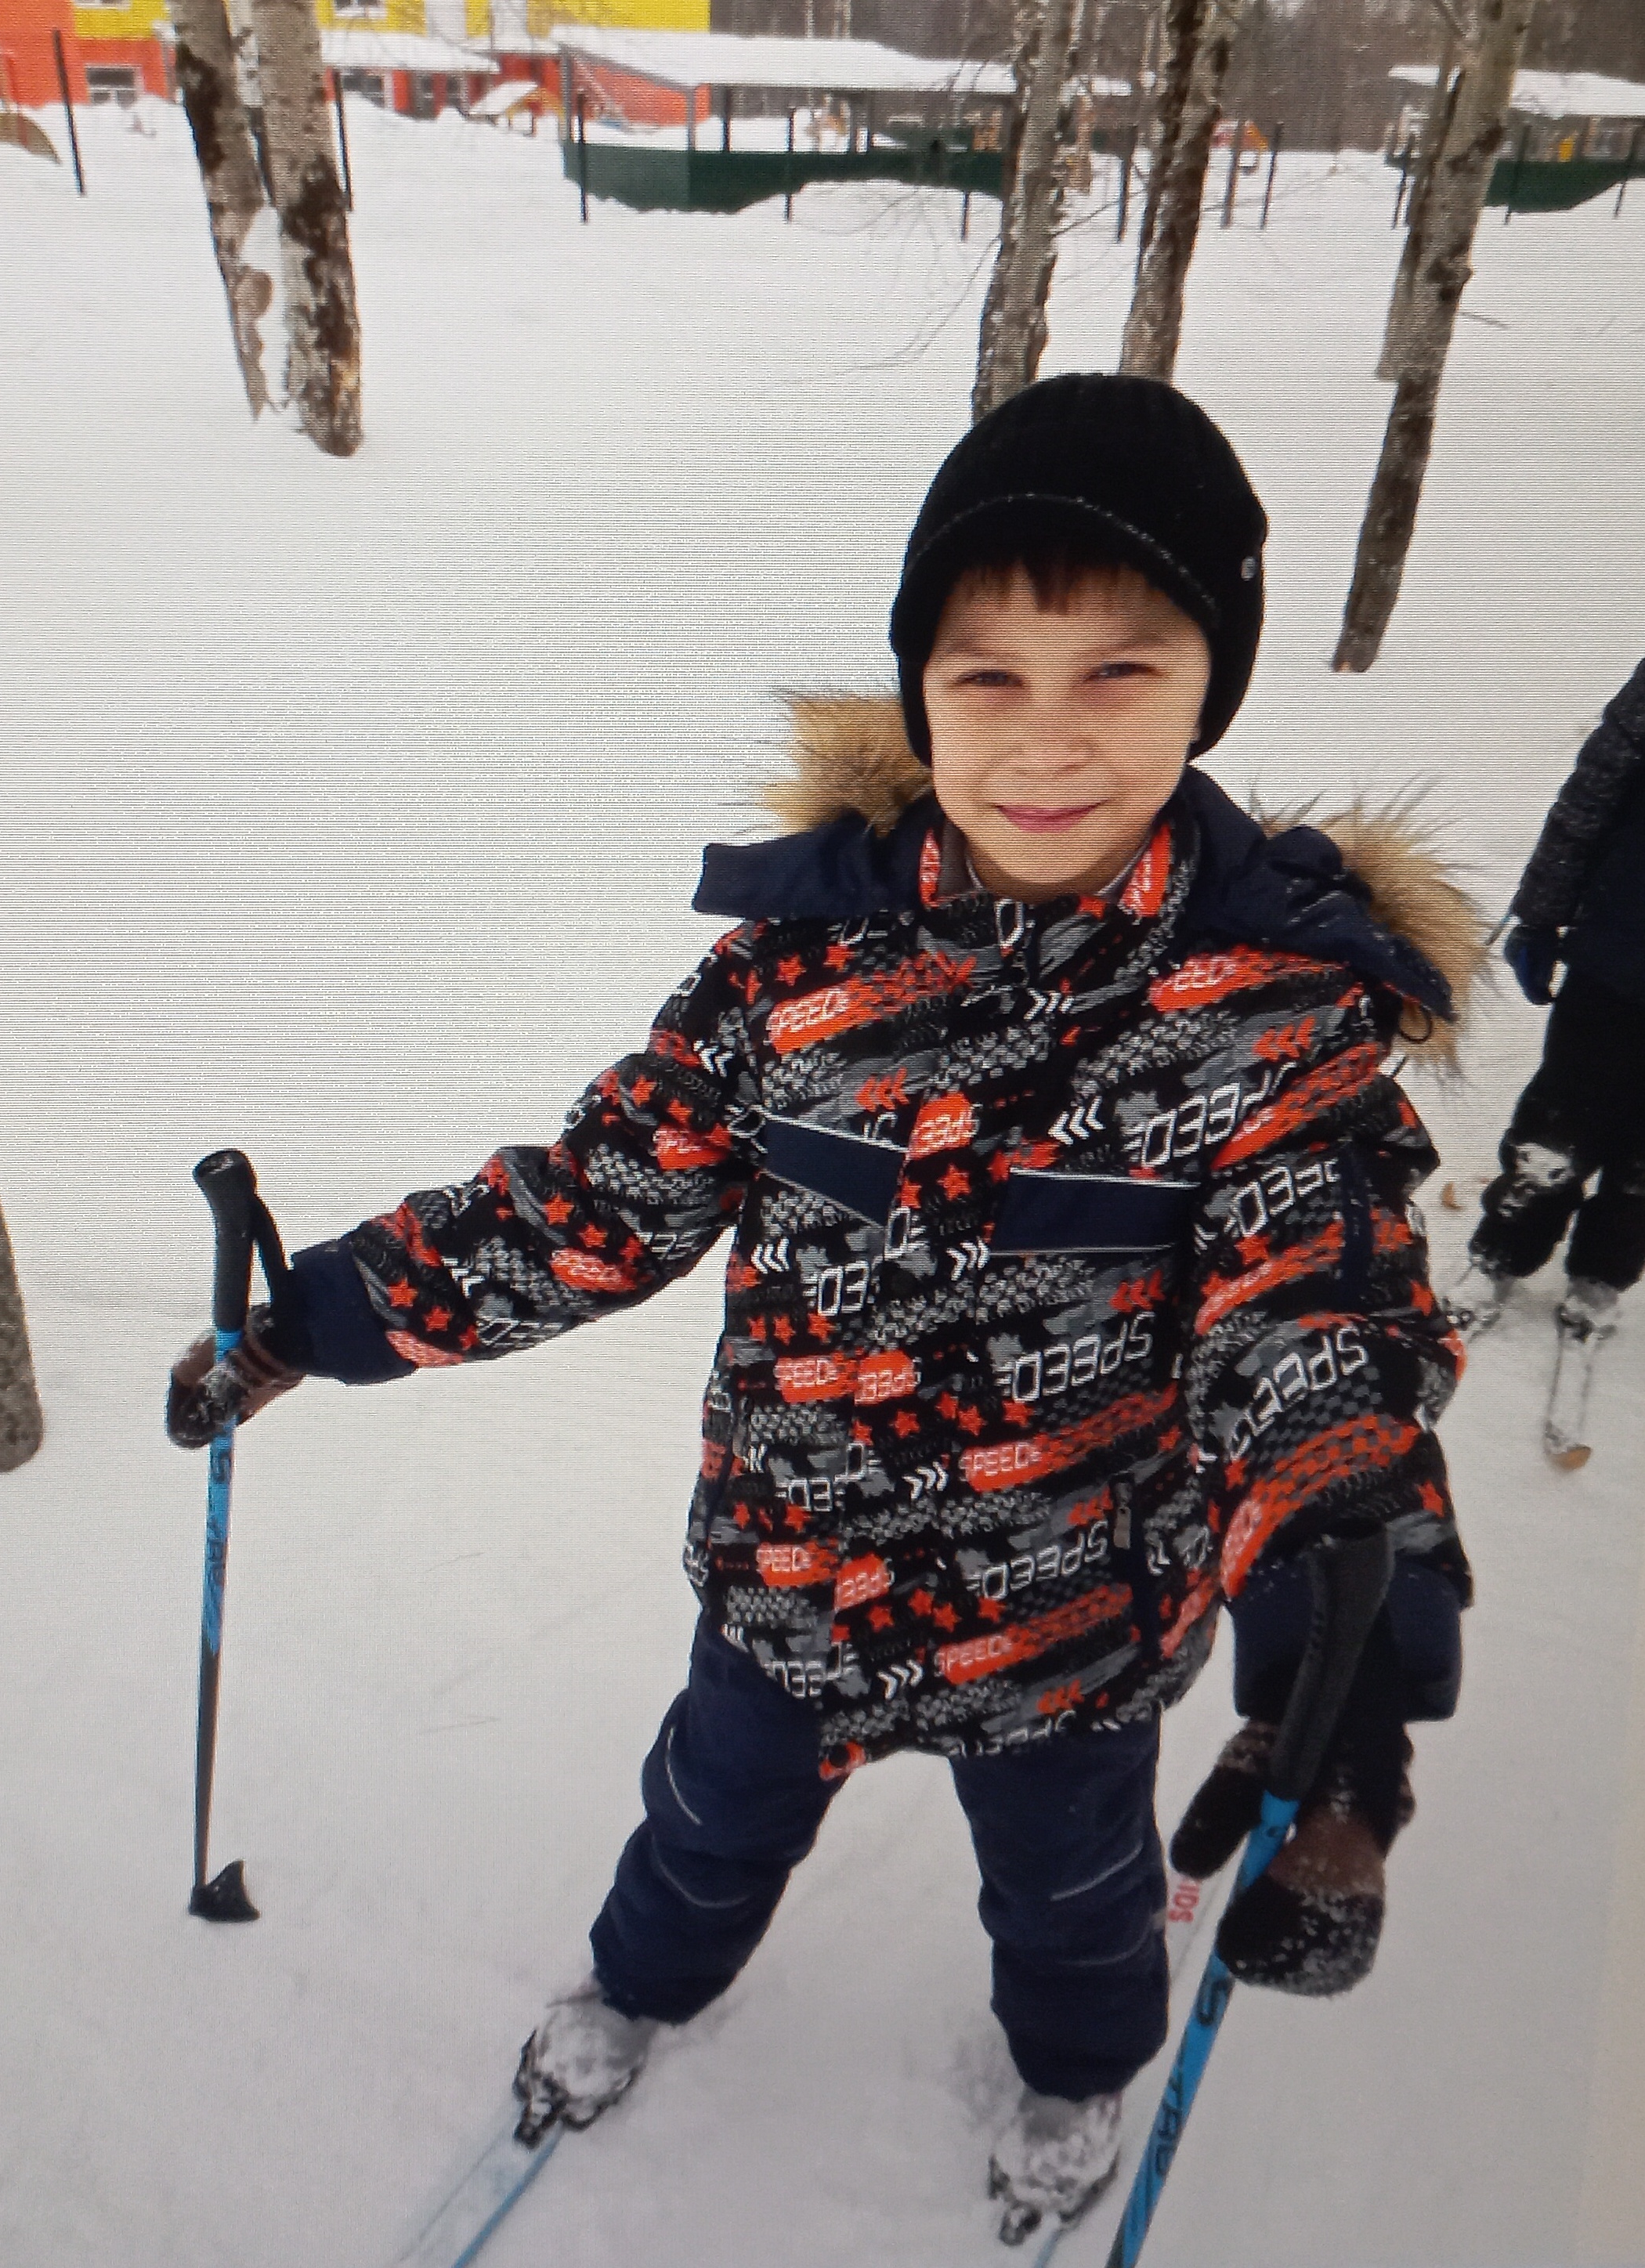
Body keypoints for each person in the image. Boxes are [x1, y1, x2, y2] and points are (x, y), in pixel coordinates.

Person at [168, 376, 1476, 2238]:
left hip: (1067, 1627)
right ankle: (641, 1996)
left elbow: (1318, 1323)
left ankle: (1075, 2077)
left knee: (1076, 1898)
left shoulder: (1274, 1024)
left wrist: (1343, 1678)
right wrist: (321, 1313)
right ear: (920, 684)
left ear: (1211, 688)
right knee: (701, 1830)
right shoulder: (798, 967)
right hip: (790, 1581)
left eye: (1120, 670)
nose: (1045, 739)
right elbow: (597, 1201)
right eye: (984, 673)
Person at [1444, 658, 1645, 1348]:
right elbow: (1588, 801)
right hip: (1619, 948)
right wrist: (1538, 916)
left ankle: (1604, 1273)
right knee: (1560, 1116)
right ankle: (1501, 1252)